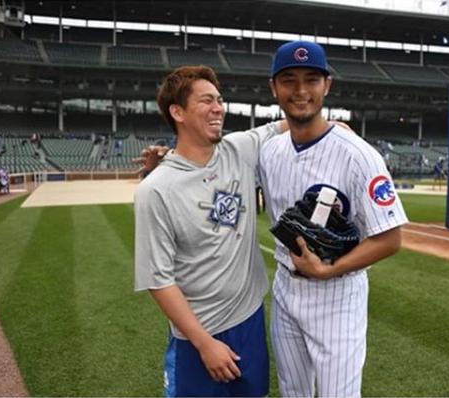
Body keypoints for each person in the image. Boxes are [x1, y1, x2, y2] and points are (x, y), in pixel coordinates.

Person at [259, 41, 408, 397]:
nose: (300, 91)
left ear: (327, 85)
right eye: (289, 80)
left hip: (338, 294)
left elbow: (390, 238)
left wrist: (327, 270)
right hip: (285, 289)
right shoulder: (269, 151)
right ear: (274, 88)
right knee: (293, 391)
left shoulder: (359, 156)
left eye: (311, 79)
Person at [134, 65, 286, 397]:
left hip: (249, 319)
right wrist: (205, 344)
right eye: (206, 101)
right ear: (178, 112)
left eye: (219, 99)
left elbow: (288, 123)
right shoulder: (156, 190)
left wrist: (333, 127)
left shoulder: (239, 150)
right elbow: (158, 280)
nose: (218, 107)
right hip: (198, 336)